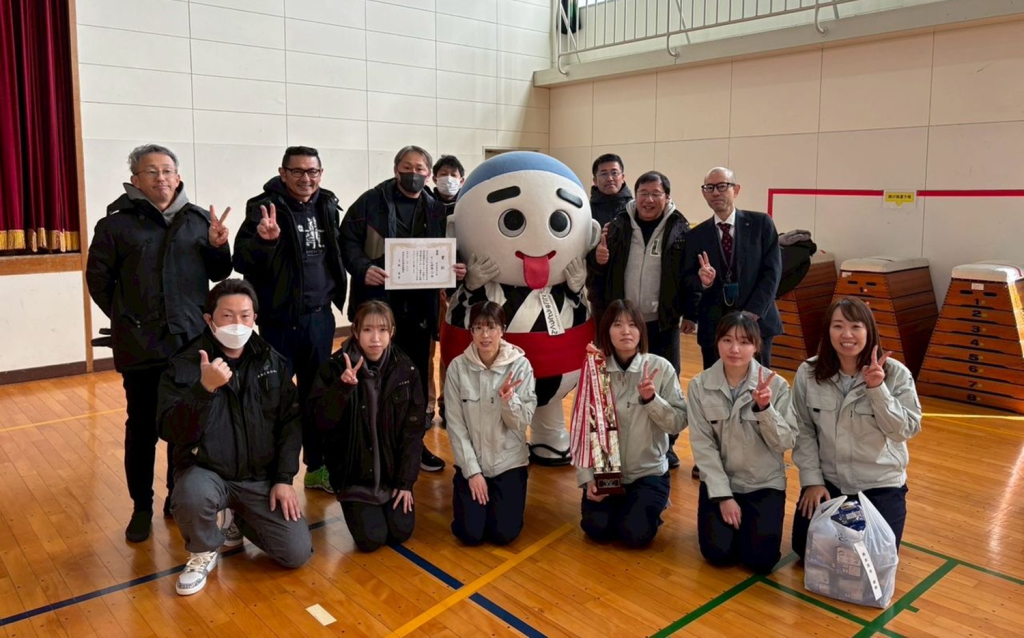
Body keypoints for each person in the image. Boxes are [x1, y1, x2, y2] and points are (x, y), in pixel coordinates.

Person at [87, 143, 232, 542]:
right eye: (151, 172)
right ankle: (141, 507)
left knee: (185, 425)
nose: (161, 178)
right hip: (141, 346)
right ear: (135, 180)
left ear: (178, 176)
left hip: (189, 344)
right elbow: (98, 281)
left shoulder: (198, 220)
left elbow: (219, 273)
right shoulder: (116, 225)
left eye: (167, 170)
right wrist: (127, 317)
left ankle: (175, 497)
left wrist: (219, 245)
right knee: (142, 429)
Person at [158, 279, 312, 596]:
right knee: (191, 495)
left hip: (258, 477)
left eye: (245, 315)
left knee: (296, 553)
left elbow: (290, 422)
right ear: (209, 319)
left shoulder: (272, 361)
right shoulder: (185, 364)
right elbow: (170, 430)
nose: (237, 324)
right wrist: (204, 390)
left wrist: (284, 478)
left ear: (255, 318)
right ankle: (202, 551)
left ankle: (237, 516)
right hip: (207, 472)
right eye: (227, 316)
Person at [340, 145, 465, 472]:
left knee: (414, 378)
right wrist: (362, 267)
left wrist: (453, 269)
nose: (414, 173)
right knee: (372, 377)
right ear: (396, 170)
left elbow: (447, 252)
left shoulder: (435, 208)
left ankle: (413, 447)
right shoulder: (371, 202)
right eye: (407, 167)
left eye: (420, 168)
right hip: (378, 306)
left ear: (428, 174)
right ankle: (370, 450)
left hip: (419, 310)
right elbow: (346, 241)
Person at [233, 146, 348, 495]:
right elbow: (241, 260)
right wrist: (264, 241)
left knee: (317, 396)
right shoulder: (262, 207)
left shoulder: (327, 204)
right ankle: (272, 474)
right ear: (283, 173)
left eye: (312, 171)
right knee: (274, 400)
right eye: (297, 171)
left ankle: (317, 467)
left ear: (321, 173)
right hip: (279, 322)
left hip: (319, 320)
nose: (305, 178)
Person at [791, 297, 922, 558]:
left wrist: (878, 389)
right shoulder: (808, 373)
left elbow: (904, 430)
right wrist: (812, 481)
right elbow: (802, 431)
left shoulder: (896, 373)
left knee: (876, 557)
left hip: (879, 484)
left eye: (855, 327)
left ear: (868, 330)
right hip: (830, 481)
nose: (847, 335)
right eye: (838, 326)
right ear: (828, 330)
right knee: (805, 551)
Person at [587, 170, 699, 469]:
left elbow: (689, 276)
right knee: (616, 383)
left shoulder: (680, 229)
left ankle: (666, 447)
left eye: (655, 194)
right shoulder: (618, 226)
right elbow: (598, 274)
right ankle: (612, 446)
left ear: (667, 197)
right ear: (634, 195)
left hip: (662, 322)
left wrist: (691, 312)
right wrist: (597, 262)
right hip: (622, 322)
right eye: (643, 193)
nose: (649, 200)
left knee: (665, 382)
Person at [683, 166, 782, 479]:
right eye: (709, 188)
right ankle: (712, 457)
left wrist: (751, 316)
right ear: (703, 193)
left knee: (759, 392)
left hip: (758, 323)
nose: (716, 193)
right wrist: (702, 281)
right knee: (715, 395)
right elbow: (687, 279)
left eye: (722, 186)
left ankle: (761, 454)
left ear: (736, 190)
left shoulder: (761, 224)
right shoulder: (696, 235)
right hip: (715, 327)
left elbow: (772, 273)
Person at [307, 301, 425, 552]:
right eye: (368, 330)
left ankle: (388, 498)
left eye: (382, 330)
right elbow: (320, 422)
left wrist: (405, 482)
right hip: (354, 478)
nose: (375, 338)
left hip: (392, 476)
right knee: (371, 540)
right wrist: (342, 389)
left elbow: (413, 433)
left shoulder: (406, 369)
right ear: (356, 331)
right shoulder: (334, 367)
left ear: (392, 332)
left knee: (401, 531)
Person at [687, 311, 798, 574]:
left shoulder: (777, 386)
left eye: (744, 342)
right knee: (717, 554)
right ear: (717, 342)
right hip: (723, 483)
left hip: (764, 483)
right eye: (727, 340)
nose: (735, 349)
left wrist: (765, 409)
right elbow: (703, 446)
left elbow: (785, 441)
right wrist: (723, 496)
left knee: (760, 561)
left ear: (756, 346)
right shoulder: (699, 386)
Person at [577, 299, 687, 548]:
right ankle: (627, 505)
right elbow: (583, 429)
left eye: (632, 324)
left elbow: (677, 423)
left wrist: (652, 400)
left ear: (641, 330)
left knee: (634, 534)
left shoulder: (661, 367)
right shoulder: (596, 369)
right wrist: (587, 478)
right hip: (606, 469)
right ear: (606, 330)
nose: (626, 331)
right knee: (596, 528)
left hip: (647, 472)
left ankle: (652, 502)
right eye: (617, 324)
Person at [445, 301, 537, 546]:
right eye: (478, 328)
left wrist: (509, 400)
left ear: (502, 330)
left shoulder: (520, 366)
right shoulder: (457, 368)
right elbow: (455, 425)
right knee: (469, 534)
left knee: (504, 534)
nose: (485, 335)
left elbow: (522, 423)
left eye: (492, 327)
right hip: (473, 463)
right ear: (471, 331)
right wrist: (472, 472)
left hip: (509, 464)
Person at [430, 154, 467, 428]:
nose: (448, 179)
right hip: (426, 289)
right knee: (426, 351)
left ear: (462, 180)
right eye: (443, 174)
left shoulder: (470, 208)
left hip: (459, 292)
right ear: (434, 178)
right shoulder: (425, 205)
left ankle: (448, 404)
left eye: (453, 175)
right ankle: (426, 405)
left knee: (451, 351)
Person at [589, 153, 632, 228]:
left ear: (622, 178)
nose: (610, 178)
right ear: (595, 181)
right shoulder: (587, 210)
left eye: (614, 173)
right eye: (604, 174)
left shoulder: (634, 208)